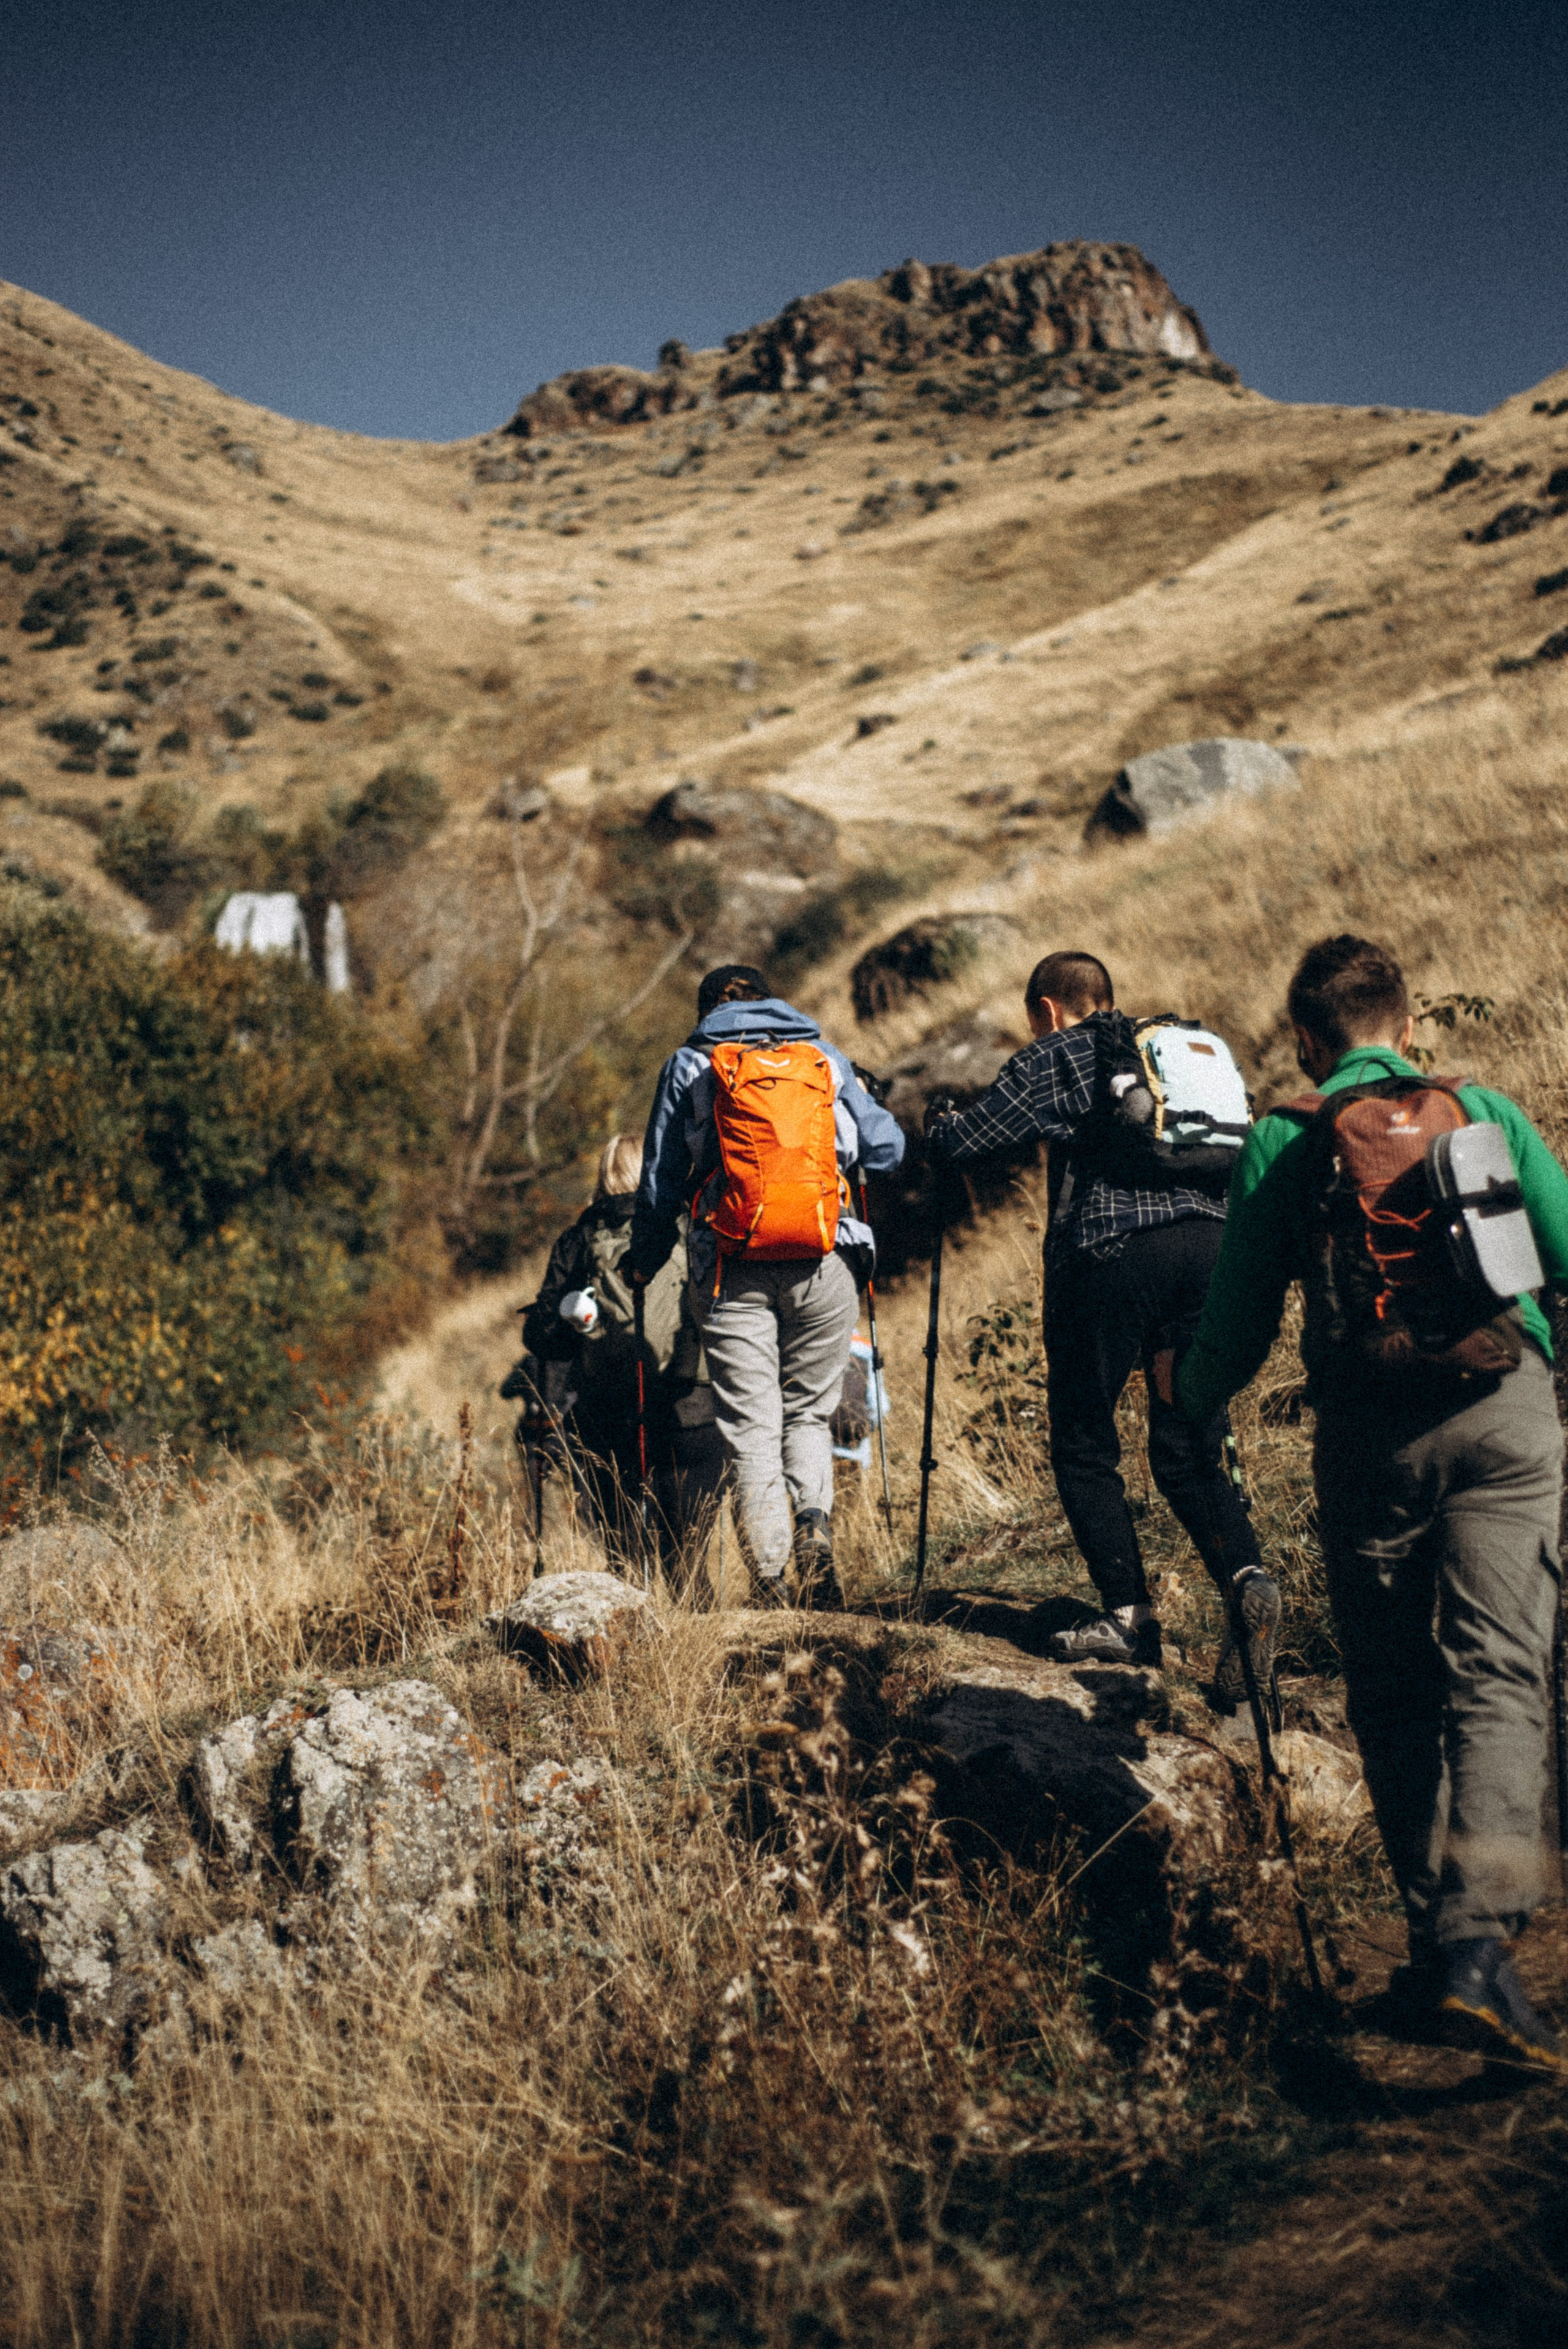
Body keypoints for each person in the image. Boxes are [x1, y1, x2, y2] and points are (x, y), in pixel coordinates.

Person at [1176, 933, 1568, 2075]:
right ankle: (1474, 1942)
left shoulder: (1284, 1143)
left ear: (1307, 1038)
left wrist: (1187, 1407)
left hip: (1368, 1436)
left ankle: (1438, 1944)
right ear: (1405, 1024)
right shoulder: (1479, 1104)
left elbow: (1238, 1323)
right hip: (1507, 1408)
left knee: (1394, 1691)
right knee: (1501, 1673)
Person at [925, 948, 1275, 1676]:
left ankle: (1129, 1617)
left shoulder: (1058, 1052)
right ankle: (1245, 1581)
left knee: (1085, 1440)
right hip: (1211, 1247)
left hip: (1115, 1255)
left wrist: (937, 1127)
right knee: (1188, 1443)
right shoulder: (1168, 1054)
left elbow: (971, 1139)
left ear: (1045, 1010)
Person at [628, 963, 905, 1605]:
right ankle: (813, 1522)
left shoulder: (689, 1064)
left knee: (752, 1424)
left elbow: (659, 1182)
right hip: (824, 1254)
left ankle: (773, 1580)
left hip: (729, 1262)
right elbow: (887, 1150)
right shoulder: (821, 1054)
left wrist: (646, 1258)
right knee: (807, 1411)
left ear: (704, 1013)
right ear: (772, 1000)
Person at [503, 1132, 726, 1594]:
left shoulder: (580, 1238)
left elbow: (542, 1339)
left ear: (605, 1174)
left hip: (611, 1417)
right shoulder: (692, 1224)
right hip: (694, 1410)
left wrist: (574, 1316)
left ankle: (630, 1651)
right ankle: (705, 1648)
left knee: (624, 1561)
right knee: (686, 1563)